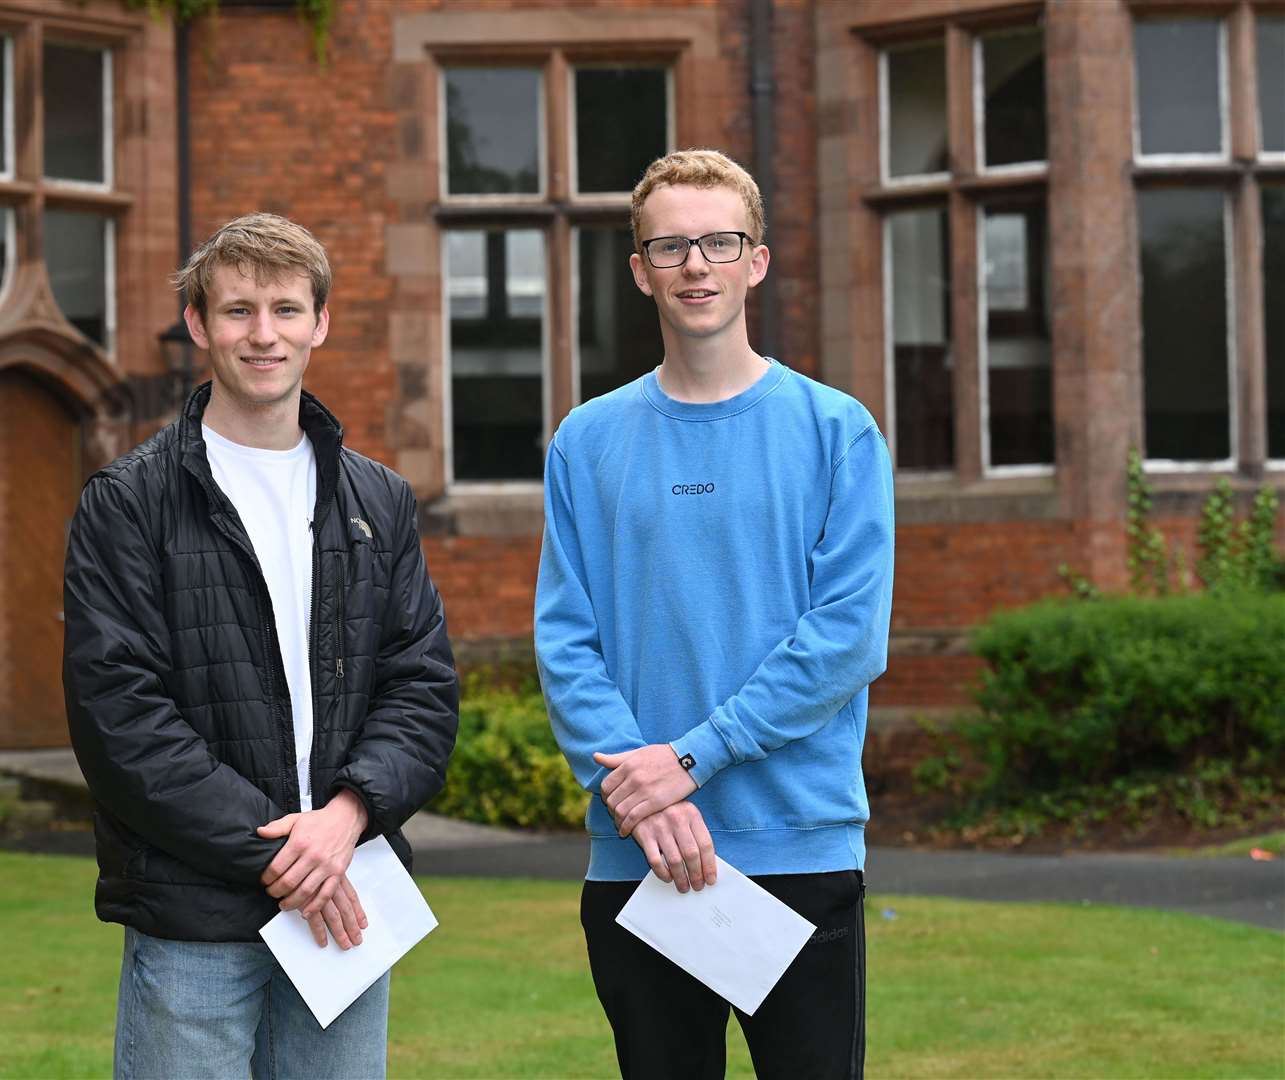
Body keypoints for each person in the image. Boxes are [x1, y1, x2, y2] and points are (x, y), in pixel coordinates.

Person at [63, 212, 459, 1080]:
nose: (263, 333)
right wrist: (284, 851)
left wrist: (345, 820)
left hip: (343, 899)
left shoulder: (378, 500)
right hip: (195, 911)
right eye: (238, 310)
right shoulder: (128, 503)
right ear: (199, 326)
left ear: (319, 323)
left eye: (285, 309)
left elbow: (422, 687)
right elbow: (119, 718)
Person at [534, 149, 894, 1080]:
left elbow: (845, 638)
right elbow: (567, 643)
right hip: (638, 860)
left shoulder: (834, 430)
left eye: (718, 242)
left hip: (796, 848)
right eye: (670, 246)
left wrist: (687, 763)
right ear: (639, 270)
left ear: (756, 261)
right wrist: (639, 798)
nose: (695, 264)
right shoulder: (585, 440)